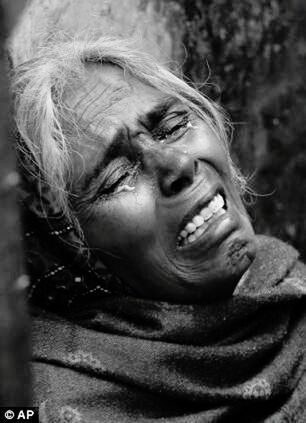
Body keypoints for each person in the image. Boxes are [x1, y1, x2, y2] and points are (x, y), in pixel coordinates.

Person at [12, 37, 306, 422]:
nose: (178, 166)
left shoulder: (288, 292)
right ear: (68, 255)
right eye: (117, 178)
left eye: (173, 125)